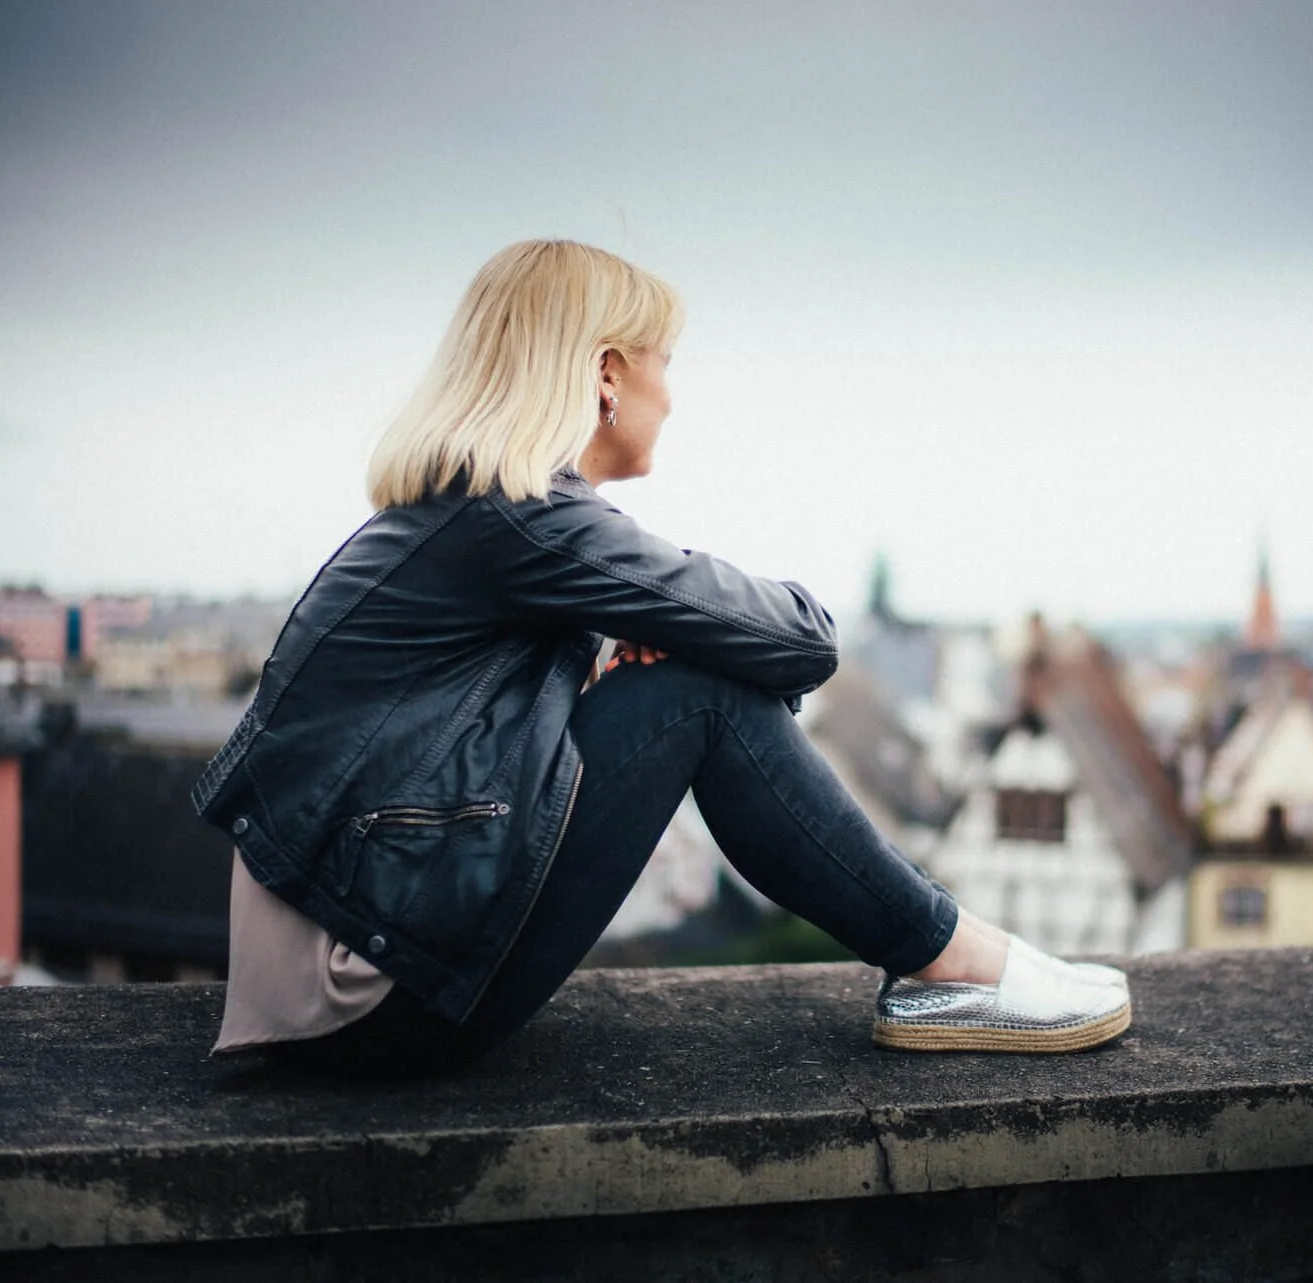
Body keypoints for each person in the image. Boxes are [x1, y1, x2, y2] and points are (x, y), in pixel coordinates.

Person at [193, 239, 1130, 1079]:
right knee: (699, 694)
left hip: (344, 973)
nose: (671, 393)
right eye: (663, 363)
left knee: (680, 677)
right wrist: (672, 649)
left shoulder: (458, 514)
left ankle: (947, 950)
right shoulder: (520, 518)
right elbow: (803, 637)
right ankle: (949, 959)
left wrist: (624, 660)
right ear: (606, 374)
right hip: (369, 993)